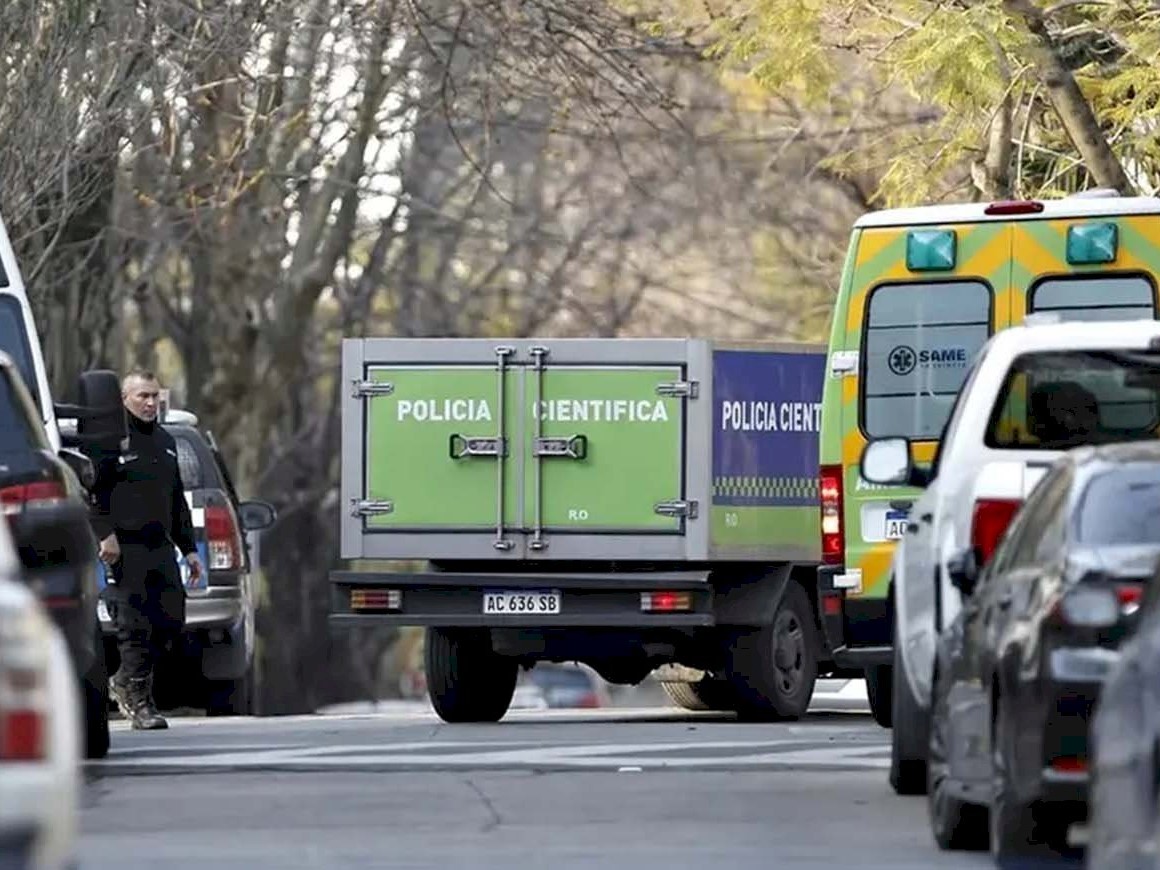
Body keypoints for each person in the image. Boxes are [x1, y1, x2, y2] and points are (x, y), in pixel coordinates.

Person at [90, 367, 203, 730]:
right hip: (124, 548)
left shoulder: (166, 441)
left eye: (155, 396)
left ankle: (125, 681)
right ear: (125, 399)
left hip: (160, 547)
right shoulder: (109, 441)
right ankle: (139, 701)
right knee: (134, 626)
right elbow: (91, 493)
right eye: (143, 396)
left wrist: (189, 549)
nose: (151, 403)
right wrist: (104, 534)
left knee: (170, 621)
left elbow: (176, 500)